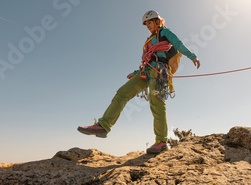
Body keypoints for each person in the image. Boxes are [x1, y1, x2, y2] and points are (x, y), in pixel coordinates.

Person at [78, 10, 201, 154]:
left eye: (150, 22)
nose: (148, 25)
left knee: (157, 104)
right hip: (145, 72)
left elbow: (178, 44)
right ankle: (103, 126)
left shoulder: (165, 33)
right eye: (146, 23)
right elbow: (148, 59)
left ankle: (161, 141)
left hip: (159, 71)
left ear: (157, 21)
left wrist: (192, 56)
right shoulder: (149, 40)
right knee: (122, 93)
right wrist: (136, 73)